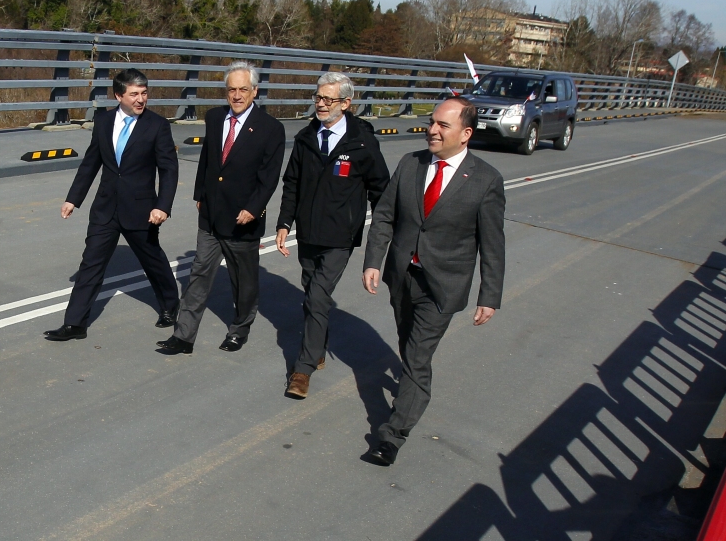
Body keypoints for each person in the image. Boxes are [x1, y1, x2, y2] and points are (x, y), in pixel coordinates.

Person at [361, 97, 506, 465]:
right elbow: (385, 216)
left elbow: (492, 245)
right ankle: (413, 388)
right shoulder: (411, 164)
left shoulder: (486, 180)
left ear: (466, 133)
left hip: (443, 284)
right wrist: (374, 260)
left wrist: (489, 295)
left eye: (443, 125)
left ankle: (391, 436)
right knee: (408, 343)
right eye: (432, 122)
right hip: (402, 276)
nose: (432, 130)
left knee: (417, 356)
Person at [157, 61, 286, 354]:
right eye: (231, 90)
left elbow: (269, 177)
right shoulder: (215, 118)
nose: (237, 95)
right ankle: (183, 337)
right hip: (212, 215)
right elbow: (208, 159)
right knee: (199, 274)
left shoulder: (270, 129)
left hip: (243, 219)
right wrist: (200, 194)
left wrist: (254, 208)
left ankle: (239, 329)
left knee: (243, 281)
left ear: (255, 91)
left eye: (243, 89)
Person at [275, 72, 390, 398]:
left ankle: (303, 369)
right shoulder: (306, 138)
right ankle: (318, 345)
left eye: (328, 100)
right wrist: (285, 223)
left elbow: (381, 189)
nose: (321, 105)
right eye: (318, 98)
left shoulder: (362, 142)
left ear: (346, 103)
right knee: (313, 293)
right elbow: (292, 183)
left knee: (317, 297)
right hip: (308, 232)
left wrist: (386, 233)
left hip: (341, 236)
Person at [45, 68, 180, 341]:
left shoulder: (157, 125)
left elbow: (169, 169)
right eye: (134, 94)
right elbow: (91, 162)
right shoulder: (104, 122)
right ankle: (75, 324)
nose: (141, 100)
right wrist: (74, 198)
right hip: (105, 208)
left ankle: (170, 305)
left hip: (142, 209)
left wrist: (163, 206)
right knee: (91, 264)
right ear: (119, 95)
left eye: (144, 94)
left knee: (152, 260)